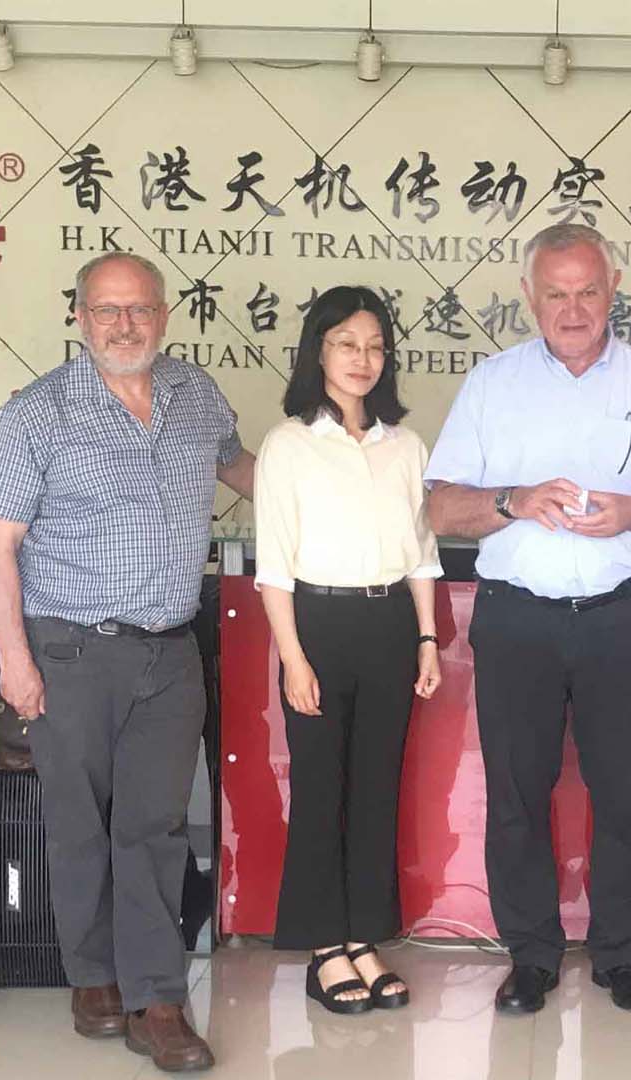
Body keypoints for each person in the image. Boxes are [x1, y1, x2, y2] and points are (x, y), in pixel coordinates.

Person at [0, 252, 254, 1074]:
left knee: (153, 827)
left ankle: (157, 999)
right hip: (70, 651)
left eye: (139, 309)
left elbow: (242, 468)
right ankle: (92, 973)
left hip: (170, 651)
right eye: (106, 310)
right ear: (80, 317)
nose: (124, 325)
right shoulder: (36, 414)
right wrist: (15, 662)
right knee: (78, 823)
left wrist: (334, 486)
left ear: (164, 315)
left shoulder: (195, 394)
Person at [425, 222, 631, 1015]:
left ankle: (620, 955)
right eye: (556, 294)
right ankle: (531, 956)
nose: (574, 309)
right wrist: (512, 500)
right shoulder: (492, 384)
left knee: (625, 793)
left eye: (588, 291)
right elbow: (439, 507)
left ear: (614, 289)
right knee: (518, 794)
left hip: (623, 619)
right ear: (530, 297)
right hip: (517, 619)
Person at [254, 285, 443, 1014]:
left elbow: (421, 554)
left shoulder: (405, 446)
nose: (361, 359)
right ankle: (324, 947)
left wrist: (427, 639)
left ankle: (364, 937)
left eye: (373, 347)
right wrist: (293, 659)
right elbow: (275, 567)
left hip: (390, 623)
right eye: (345, 344)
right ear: (318, 352)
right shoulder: (289, 444)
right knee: (320, 788)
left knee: (375, 789)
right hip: (318, 627)